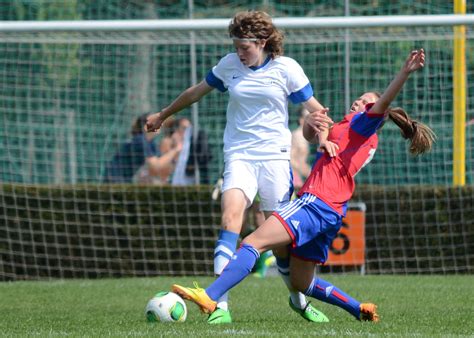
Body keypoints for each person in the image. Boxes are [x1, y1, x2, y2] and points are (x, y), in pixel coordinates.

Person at [171, 49, 436, 323]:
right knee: (301, 281)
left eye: (368, 103)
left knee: (252, 242)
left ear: (376, 116)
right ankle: (359, 308)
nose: (360, 102)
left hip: (316, 202)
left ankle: (211, 296)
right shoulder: (346, 129)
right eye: (360, 99)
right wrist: (311, 125)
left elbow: (384, 102)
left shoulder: (363, 127)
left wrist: (403, 73)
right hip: (332, 212)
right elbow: (313, 134)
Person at [145, 10, 333, 324]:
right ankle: (220, 306)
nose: (239, 53)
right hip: (239, 155)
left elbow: (316, 110)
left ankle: (298, 300)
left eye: (244, 47)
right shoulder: (230, 65)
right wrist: (163, 114)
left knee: (281, 241)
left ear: (262, 42)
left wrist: (324, 138)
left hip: (275, 158)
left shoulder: (287, 69)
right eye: (236, 46)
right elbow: (195, 92)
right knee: (230, 217)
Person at [103, 113, 181, 184]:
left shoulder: (150, 143)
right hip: (115, 177)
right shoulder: (140, 140)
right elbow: (155, 167)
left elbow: (161, 164)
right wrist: (176, 149)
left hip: (125, 178)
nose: (159, 123)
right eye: (155, 121)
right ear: (146, 126)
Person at [171, 118, 212, 185]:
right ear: (177, 130)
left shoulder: (194, 142)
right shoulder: (173, 143)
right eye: (184, 128)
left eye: (189, 128)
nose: (187, 131)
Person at [291, 108, 312, 191]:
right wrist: (308, 173)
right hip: (294, 178)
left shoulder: (305, 137)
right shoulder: (298, 135)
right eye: (308, 117)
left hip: (299, 177)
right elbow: (290, 158)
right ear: (301, 120)